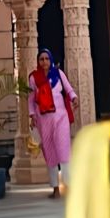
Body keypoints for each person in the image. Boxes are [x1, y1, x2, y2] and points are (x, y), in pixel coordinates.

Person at [27, 48, 78, 198]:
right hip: (43, 120)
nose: (44, 62)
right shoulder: (34, 78)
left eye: (47, 59)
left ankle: (69, 186)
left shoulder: (59, 74)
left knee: (64, 150)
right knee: (49, 153)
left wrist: (74, 98)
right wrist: (32, 115)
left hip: (61, 117)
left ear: (50, 60)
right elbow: (31, 99)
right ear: (38, 61)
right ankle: (55, 188)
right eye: (41, 59)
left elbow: (68, 89)